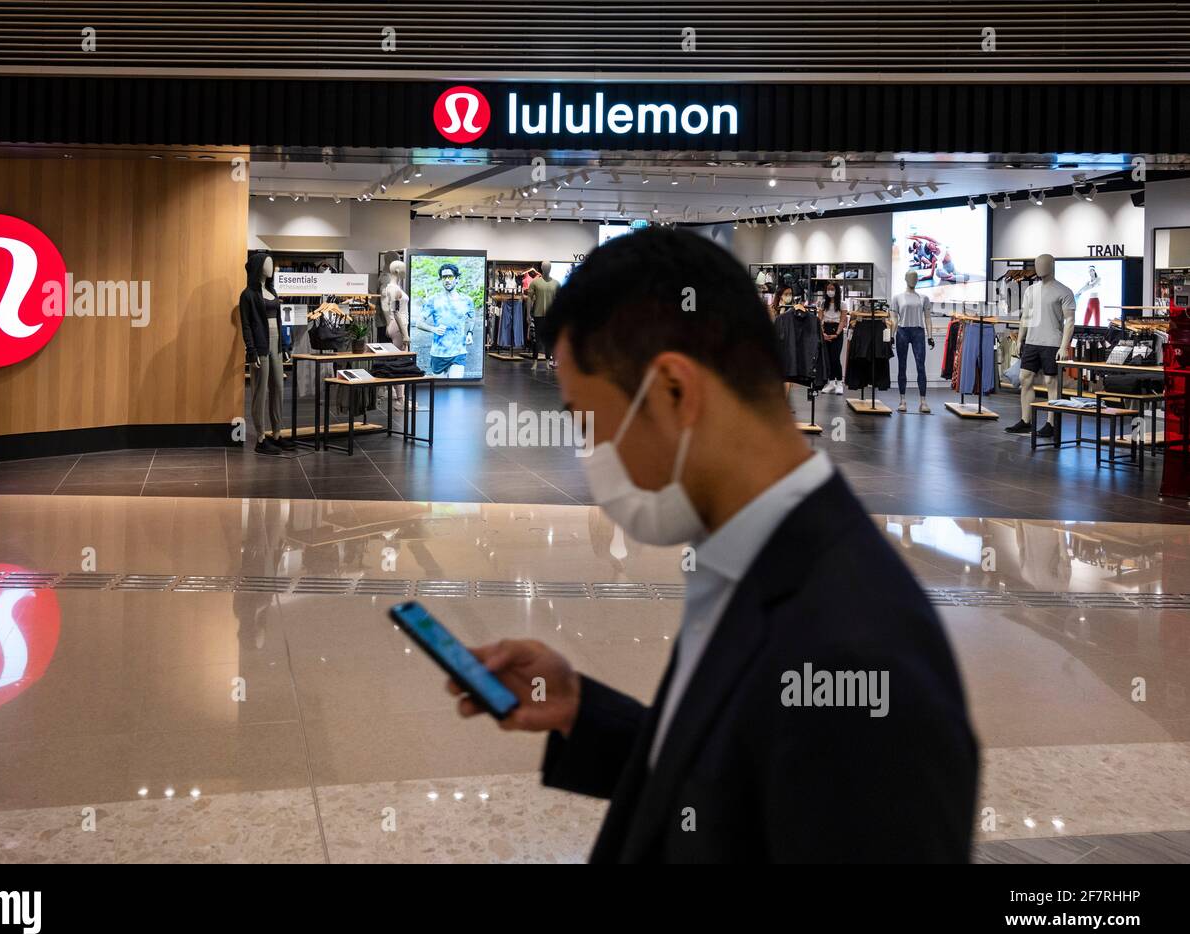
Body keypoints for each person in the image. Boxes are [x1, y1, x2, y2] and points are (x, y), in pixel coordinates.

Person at [445, 228, 978, 863]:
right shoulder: (755, 561)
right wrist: (583, 712)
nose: (589, 450)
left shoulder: (853, 658)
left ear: (673, 392)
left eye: (587, 417)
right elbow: (737, 791)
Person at [416, 262, 474, 378]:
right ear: (441, 280)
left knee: (455, 389)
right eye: (444, 277)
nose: (447, 280)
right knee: (439, 390)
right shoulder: (433, 300)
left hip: (459, 352)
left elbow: (472, 318)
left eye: (450, 277)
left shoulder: (466, 300)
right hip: (439, 353)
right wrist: (433, 329)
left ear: (457, 279)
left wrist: (469, 333)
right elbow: (419, 323)